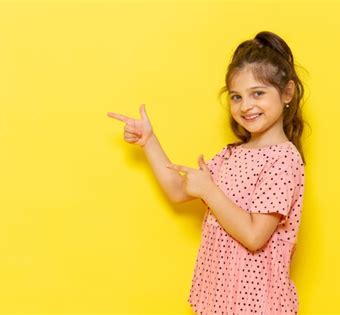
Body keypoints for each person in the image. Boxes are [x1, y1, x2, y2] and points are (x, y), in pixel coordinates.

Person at [107, 30, 306, 314]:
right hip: (218, 298)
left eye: (257, 93)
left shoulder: (284, 160)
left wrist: (209, 190)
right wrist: (149, 141)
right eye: (236, 97)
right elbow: (178, 190)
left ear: (287, 93)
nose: (245, 105)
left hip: (257, 305)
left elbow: (254, 236)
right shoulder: (230, 155)